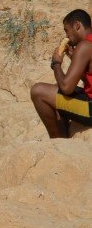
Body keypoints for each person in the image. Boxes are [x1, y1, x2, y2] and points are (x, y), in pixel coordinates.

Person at [31, 9, 92, 139]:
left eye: (67, 30)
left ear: (77, 25)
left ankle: (57, 140)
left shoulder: (85, 46)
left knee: (38, 91)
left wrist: (56, 64)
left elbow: (66, 88)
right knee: (54, 88)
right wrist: (72, 56)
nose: (67, 35)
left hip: (90, 109)